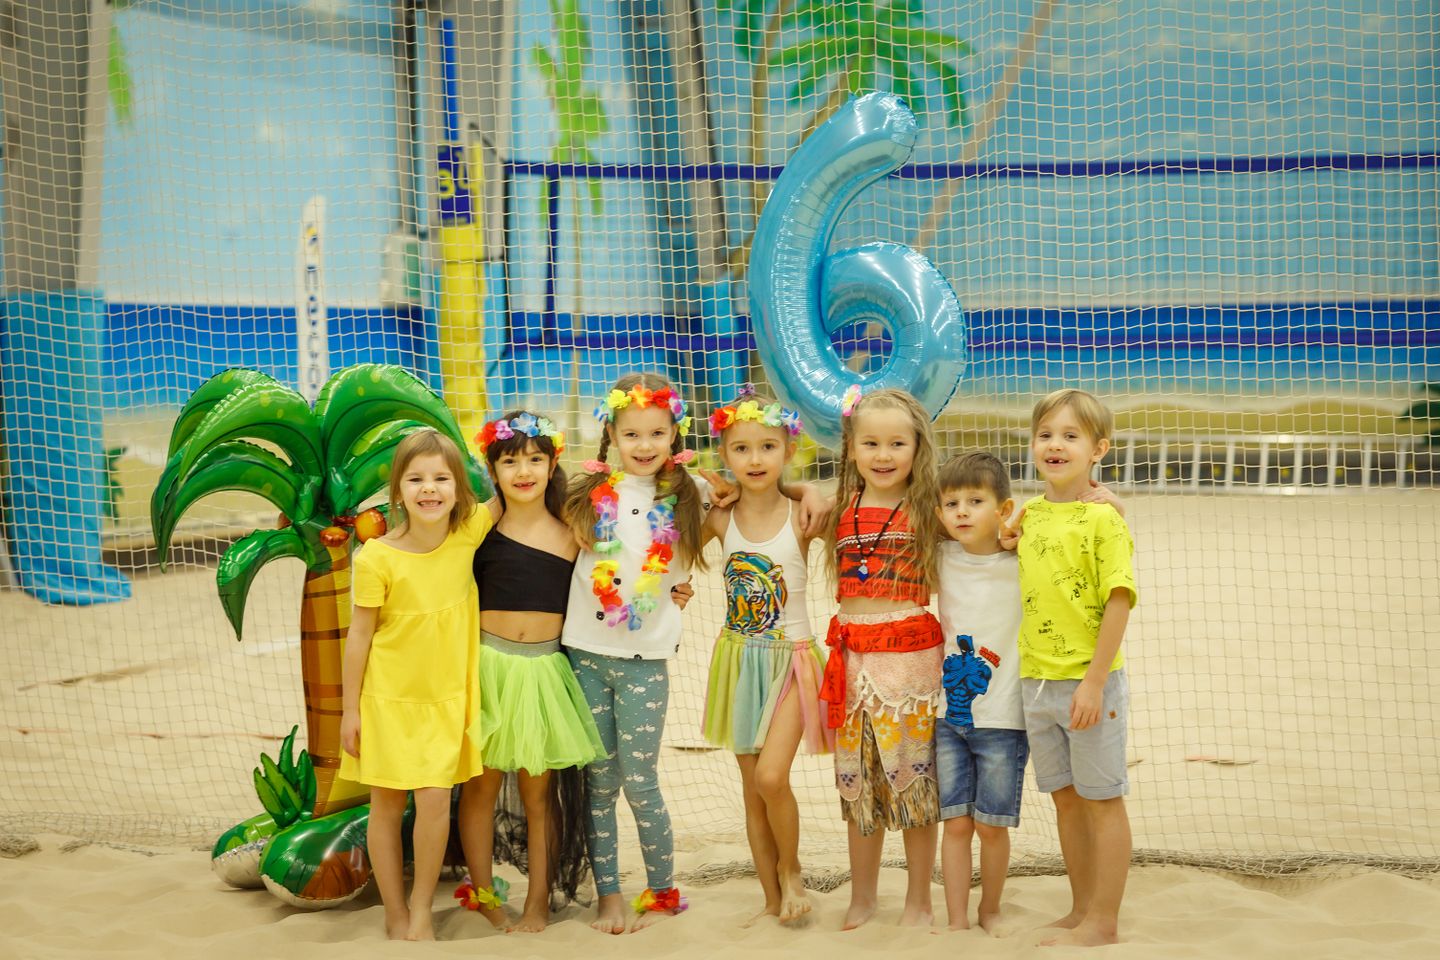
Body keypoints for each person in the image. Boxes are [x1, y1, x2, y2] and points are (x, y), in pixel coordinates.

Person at [338, 427, 493, 940]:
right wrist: (350, 711)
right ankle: (394, 910)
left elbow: (522, 482)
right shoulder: (376, 557)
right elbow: (359, 637)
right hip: (386, 700)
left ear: (460, 488)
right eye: (416, 479)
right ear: (398, 491)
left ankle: (422, 908)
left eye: (442, 478)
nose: (430, 489)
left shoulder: (469, 530)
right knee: (385, 806)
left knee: (433, 801)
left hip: (446, 700)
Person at [454, 411, 603, 933]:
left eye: (535, 459)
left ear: (552, 463)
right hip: (486, 671)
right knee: (479, 790)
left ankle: (538, 900)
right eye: (510, 461)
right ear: (492, 469)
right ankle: (486, 899)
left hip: (543, 675)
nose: (523, 471)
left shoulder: (573, 534)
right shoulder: (477, 530)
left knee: (540, 797)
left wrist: (675, 588)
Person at [700, 388, 832, 926]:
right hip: (737, 663)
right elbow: (665, 510)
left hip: (793, 661)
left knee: (772, 778)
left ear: (789, 450)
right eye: (741, 449)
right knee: (752, 791)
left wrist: (810, 488)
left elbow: (855, 497)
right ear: (724, 455)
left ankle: (791, 870)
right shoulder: (717, 519)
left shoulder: (804, 513)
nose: (755, 459)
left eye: (768, 447)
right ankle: (772, 900)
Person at [1012, 388, 1138, 948]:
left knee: (1101, 800)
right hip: (1036, 680)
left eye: (1070, 436)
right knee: (1065, 799)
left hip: (1090, 683)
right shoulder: (1030, 515)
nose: (1055, 445)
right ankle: (1081, 909)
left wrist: (1093, 681)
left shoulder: (1104, 519)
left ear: (1098, 450)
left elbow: (1119, 601)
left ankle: (1103, 922)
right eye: (1045, 435)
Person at [819, 386, 946, 930]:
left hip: (912, 667)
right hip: (852, 667)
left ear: (918, 448)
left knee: (915, 786)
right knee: (858, 786)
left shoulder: (932, 509)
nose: (884, 454)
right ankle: (863, 897)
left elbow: (995, 524)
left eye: (898, 443)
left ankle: (919, 899)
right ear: (851, 448)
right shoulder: (837, 510)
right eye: (870, 443)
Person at [932, 451, 1028, 934]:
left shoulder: (1024, 559)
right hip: (949, 719)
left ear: (1003, 508)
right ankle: (955, 919)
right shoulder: (941, 556)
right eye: (952, 504)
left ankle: (990, 909)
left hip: (1004, 719)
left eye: (975, 501)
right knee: (955, 824)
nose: (962, 512)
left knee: (991, 825)